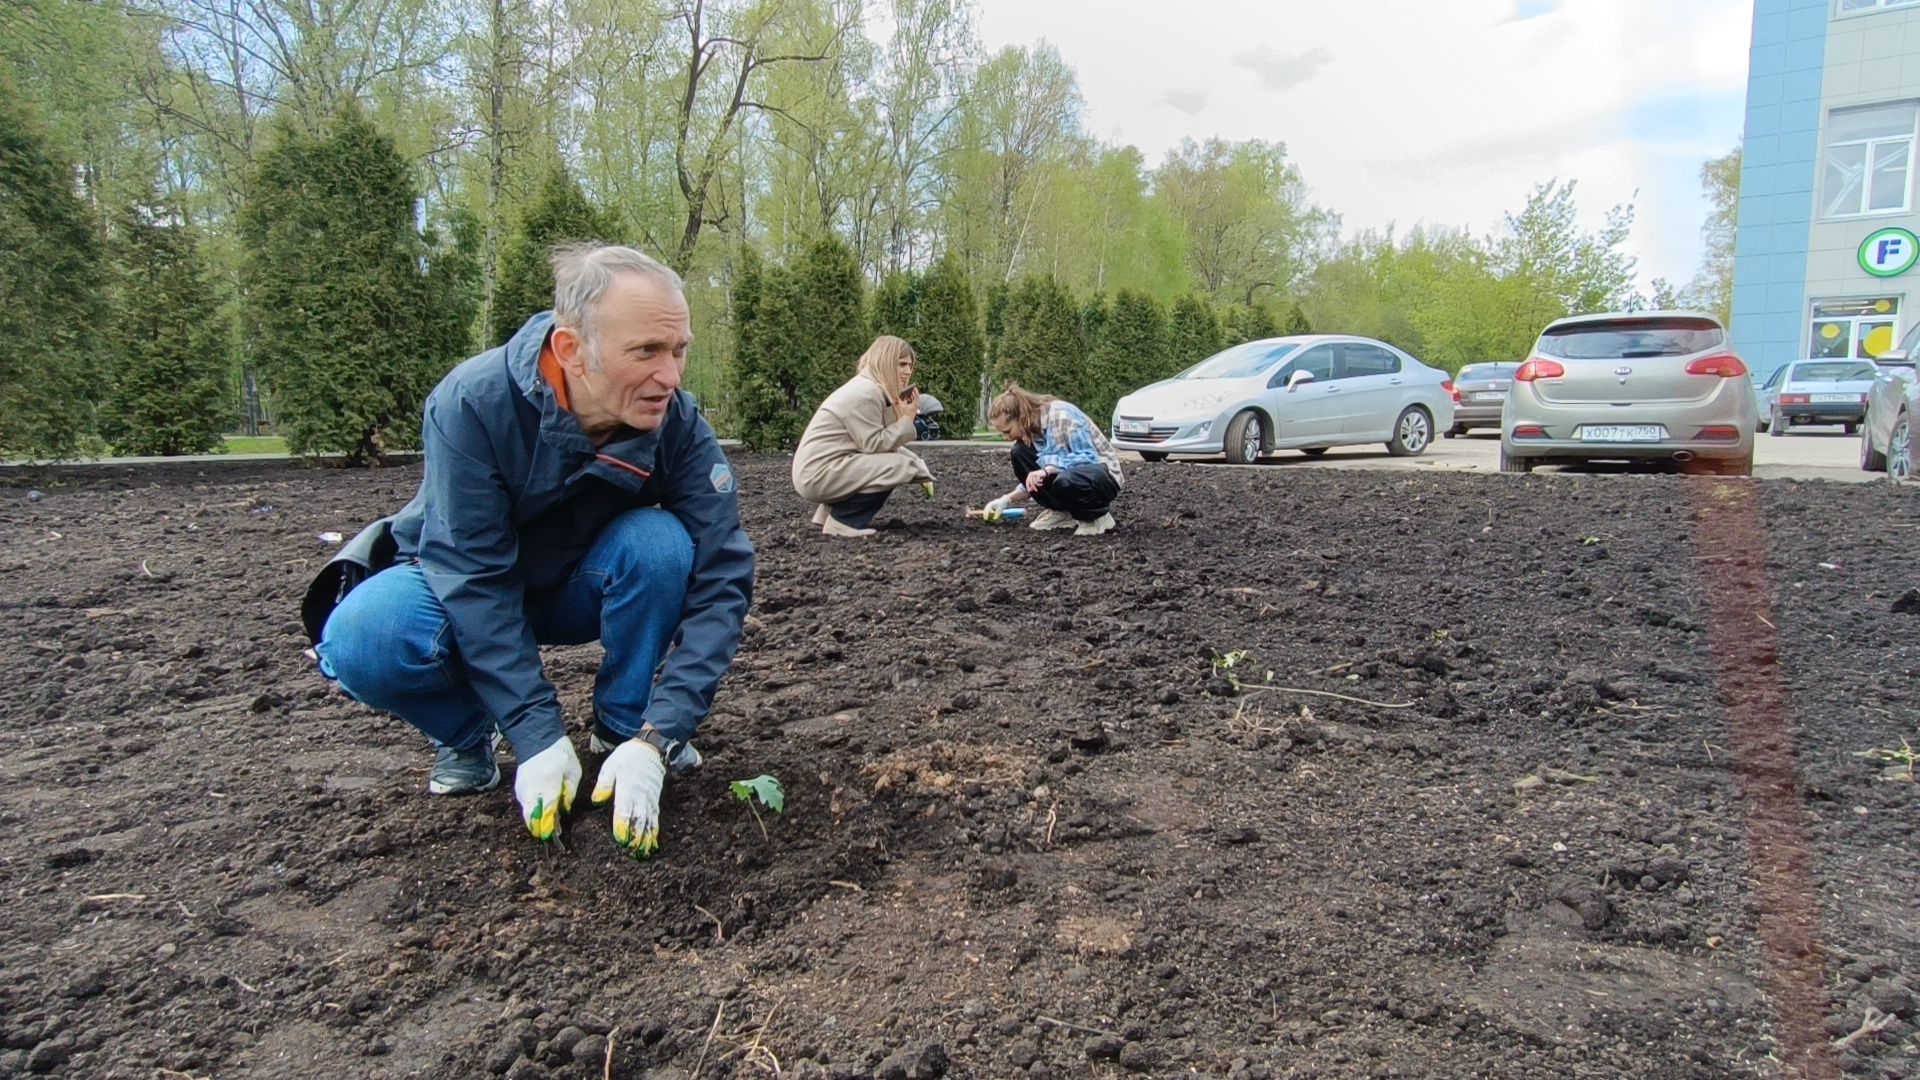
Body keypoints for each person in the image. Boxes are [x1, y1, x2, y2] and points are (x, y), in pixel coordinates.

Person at [307, 244, 755, 859]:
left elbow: (723, 570)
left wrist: (662, 731)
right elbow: (473, 576)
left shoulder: (672, 419)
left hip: (577, 582)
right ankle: (468, 735)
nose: (671, 376)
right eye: (646, 351)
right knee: (367, 633)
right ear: (572, 349)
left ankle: (624, 733)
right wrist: (537, 734)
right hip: (459, 586)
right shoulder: (474, 403)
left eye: (679, 350)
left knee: (660, 546)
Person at [790, 335, 936, 537]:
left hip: (819, 469)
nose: (908, 371)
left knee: (901, 463)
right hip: (816, 474)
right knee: (898, 466)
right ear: (884, 361)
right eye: (901, 364)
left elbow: (874, 443)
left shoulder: (869, 389)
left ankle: (828, 516)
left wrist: (916, 461)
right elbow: (875, 444)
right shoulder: (867, 394)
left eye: (910, 365)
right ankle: (843, 522)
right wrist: (907, 420)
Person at [982, 383, 1123, 536]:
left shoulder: (1062, 415)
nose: (1006, 437)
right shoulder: (1034, 430)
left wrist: (1046, 470)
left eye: (1007, 431)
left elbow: (1088, 458)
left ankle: (1097, 517)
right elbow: (1035, 480)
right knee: (1019, 453)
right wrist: (1006, 499)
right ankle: (1063, 512)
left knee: (1066, 479)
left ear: (1021, 417)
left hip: (1104, 476)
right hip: (1072, 476)